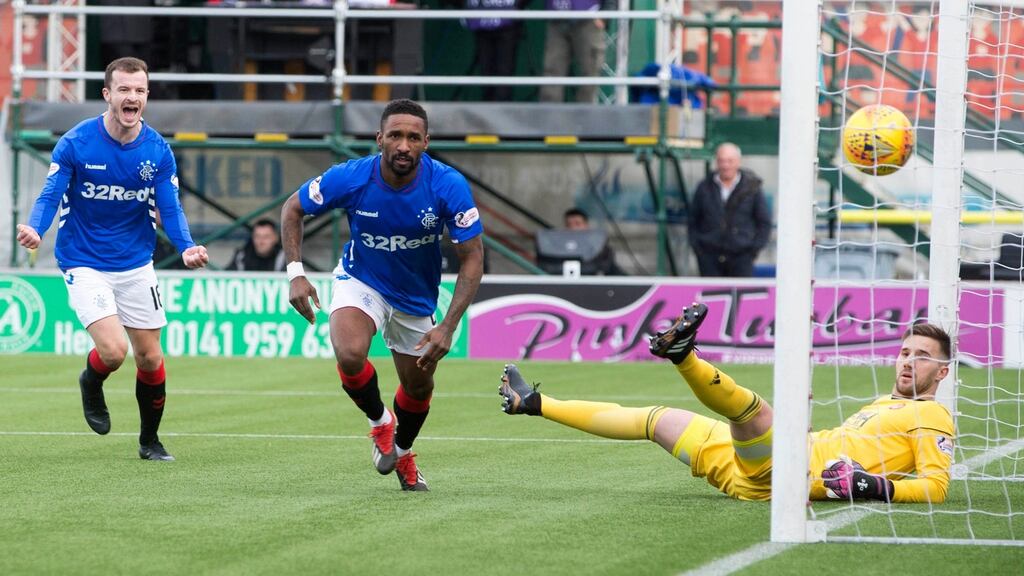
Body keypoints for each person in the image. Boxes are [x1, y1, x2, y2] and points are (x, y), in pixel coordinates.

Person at [499, 302, 955, 503]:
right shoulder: (885, 403)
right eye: (904, 352)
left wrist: (876, 488)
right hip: (753, 474)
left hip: (786, 473)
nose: (908, 362)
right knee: (655, 419)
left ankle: (682, 355)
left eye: (922, 357)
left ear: (943, 371)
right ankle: (535, 402)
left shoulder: (933, 415)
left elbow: (936, 488)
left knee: (753, 410)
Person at [281, 99, 485, 491]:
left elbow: (473, 258)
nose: (403, 145)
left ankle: (404, 453)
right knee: (350, 351)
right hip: (363, 279)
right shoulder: (351, 177)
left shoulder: (448, 185)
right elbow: (293, 208)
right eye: (395, 136)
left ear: (426, 142)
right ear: (380, 139)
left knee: (419, 386)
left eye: (412, 137)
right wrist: (296, 274)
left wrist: (447, 325)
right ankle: (380, 423)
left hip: (416, 296)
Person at [16, 57, 210, 461]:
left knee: (150, 357)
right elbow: (51, 193)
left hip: (136, 262)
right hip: (84, 261)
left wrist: (187, 245)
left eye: (139, 90)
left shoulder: (157, 150)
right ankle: (92, 380)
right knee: (113, 352)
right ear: (107, 94)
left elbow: (169, 208)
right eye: (124, 89)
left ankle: (149, 442)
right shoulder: (76, 142)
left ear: (146, 96)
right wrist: (37, 228)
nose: (132, 97)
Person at [687, 143, 772, 277]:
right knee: (710, 296)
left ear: (738, 162)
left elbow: (764, 222)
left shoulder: (752, 188)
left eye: (730, 161)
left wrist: (752, 250)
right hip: (709, 258)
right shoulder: (704, 187)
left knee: (740, 296)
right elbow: (693, 219)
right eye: (721, 161)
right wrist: (699, 249)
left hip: (741, 257)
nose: (725, 165)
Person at [538, 0, 615, 103]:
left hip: (589, 18)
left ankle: (584, 115)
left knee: (590, 71)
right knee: (552, 70)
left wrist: (604, 16)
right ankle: (550, 115)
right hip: (557, 17)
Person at [461, 0, 525, 102]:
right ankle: (488, 107)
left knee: (504, 69)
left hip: (508, 25)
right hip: (482, 25)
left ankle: (502, 107)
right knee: (486, 68)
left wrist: (518, 6)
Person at [561, 207, 622, 275]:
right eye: (568, 225)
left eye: (577, 224)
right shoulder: (557, 250)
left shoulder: (600, 249)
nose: (573, 229)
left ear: (586, 226)